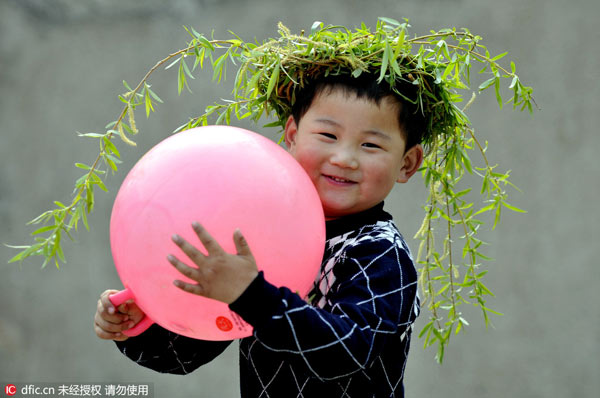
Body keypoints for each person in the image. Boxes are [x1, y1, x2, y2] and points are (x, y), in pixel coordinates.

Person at [94, 72, 425, 397]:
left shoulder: (380, 253)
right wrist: (142, 325)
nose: (344, 159)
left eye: (370, 144)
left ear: (407, 163)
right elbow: (186, 354)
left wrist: (252, 295)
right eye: (327, 135)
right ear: (292, 135)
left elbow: (348, 353)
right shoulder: (260, 231)